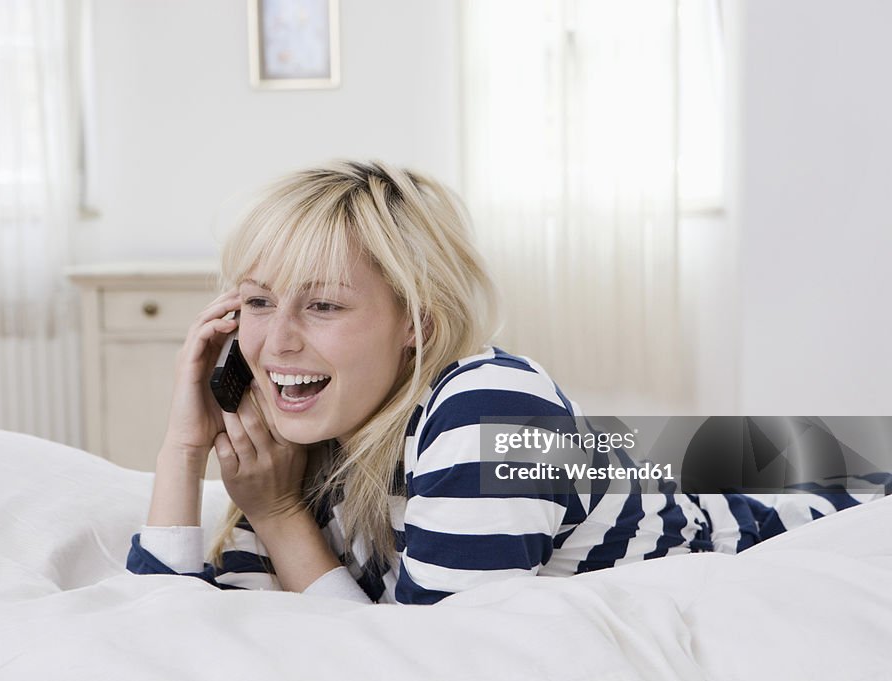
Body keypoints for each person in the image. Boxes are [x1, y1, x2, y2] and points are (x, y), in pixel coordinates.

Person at [126, 160, 890, 605]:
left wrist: (285, 519)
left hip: (807, 513)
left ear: (415, 324)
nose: (274, 341)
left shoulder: (483, 409)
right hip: (661, 463)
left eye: (322, 304)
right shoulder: (307, 441)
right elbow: (173, 634)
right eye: (256, 301)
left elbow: (414, 662)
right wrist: (180, 450)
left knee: (846, 459)